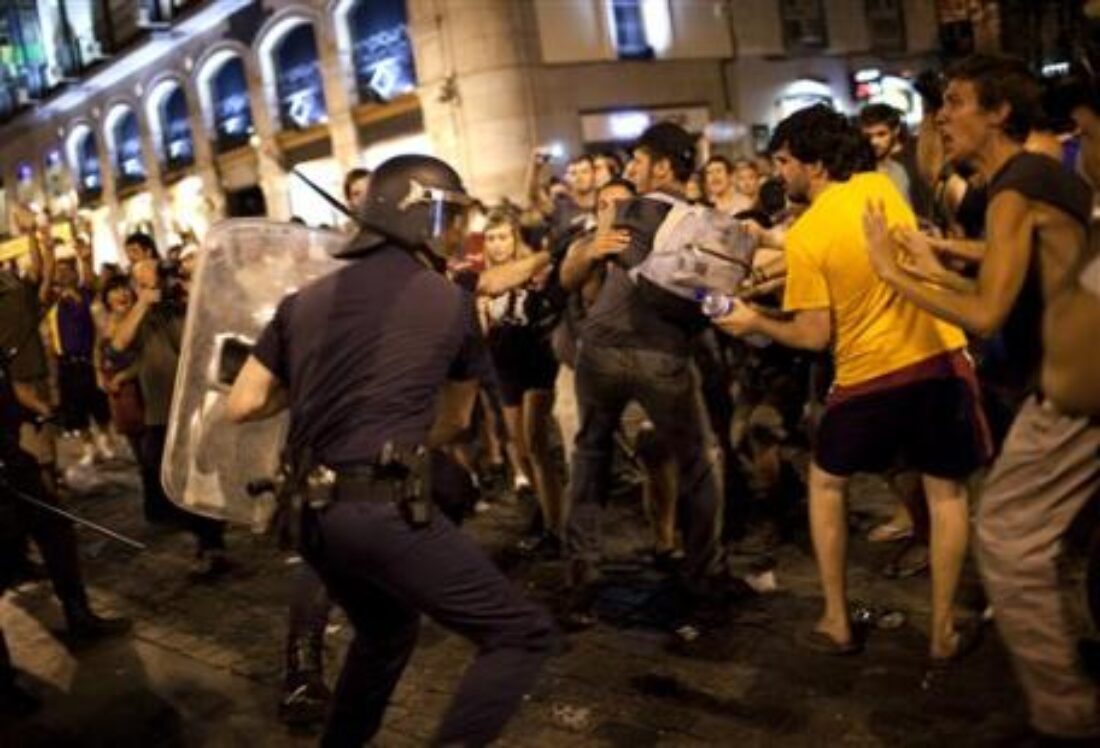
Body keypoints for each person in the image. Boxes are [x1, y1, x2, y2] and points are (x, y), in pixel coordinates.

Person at [226, 154, 554, 746]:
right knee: (520, 634)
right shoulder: (451, 301)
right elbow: (453, 421)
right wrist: (383, 430)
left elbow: (244, 402)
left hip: (303, 512)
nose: (460, 233)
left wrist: (321, 399)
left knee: (386, 631)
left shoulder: (301, 301)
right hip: (379, 507)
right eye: (452, 217)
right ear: (419, 216)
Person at [863, 55, 1099, 743]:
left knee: (1004, 533)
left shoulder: (1011, 187)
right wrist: (940, 251)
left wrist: (891, 271)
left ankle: (1064, 713)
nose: (943, 114)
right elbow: (1013, 261)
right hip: (1069, 370)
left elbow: (987, 311)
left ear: (1000, 112)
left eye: (959, 101)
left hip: (1071, 383)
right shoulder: (1030, 180)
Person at [716, 104, 988, 661]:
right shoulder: (877, 188)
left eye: (785, 161)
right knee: (947, 492)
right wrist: (771, 272)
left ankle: (837, 619)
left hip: (868, 374)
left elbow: (814, 336)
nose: (779, 173)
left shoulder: (807, 231)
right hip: (937, 357)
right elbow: (860, 259)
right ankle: (942, 630)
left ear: (812, 165)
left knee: (827, 483)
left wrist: (754, 320)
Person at [558, 122, 727, 608]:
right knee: (697, 463)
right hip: (665, 355)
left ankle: (583, 572)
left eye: (639, 160)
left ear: (663, 166)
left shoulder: (624, 211)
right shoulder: (706, 222)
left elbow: (570, 276)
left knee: (590, 457)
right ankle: (704, 573)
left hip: (602, 350)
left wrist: (591, 250)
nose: (631, 168)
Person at [110, 242, 229, 578]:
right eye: (143, 279)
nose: (153, 283)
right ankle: (204, 537)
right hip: (160, 414)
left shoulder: (179, 306)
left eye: (155, 275)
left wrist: (190, 285)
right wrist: (144, 303)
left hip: (194, 408)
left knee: (202, 477)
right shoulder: (136, 315)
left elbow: (210, 327)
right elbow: (119, 345)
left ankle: (211, 544)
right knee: (170, 480)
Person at [477, 211, 564, 551]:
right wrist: (481, 313)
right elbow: (482, 335)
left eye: (503, 237)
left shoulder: (533, 271)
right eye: (491, 238)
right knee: (522, 447)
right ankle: (544, 514)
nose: (498, 245)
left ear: (514, 238)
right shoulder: (482, 280)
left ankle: (556, 527)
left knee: (537, 443)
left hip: (536, 361)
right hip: (504, 366)